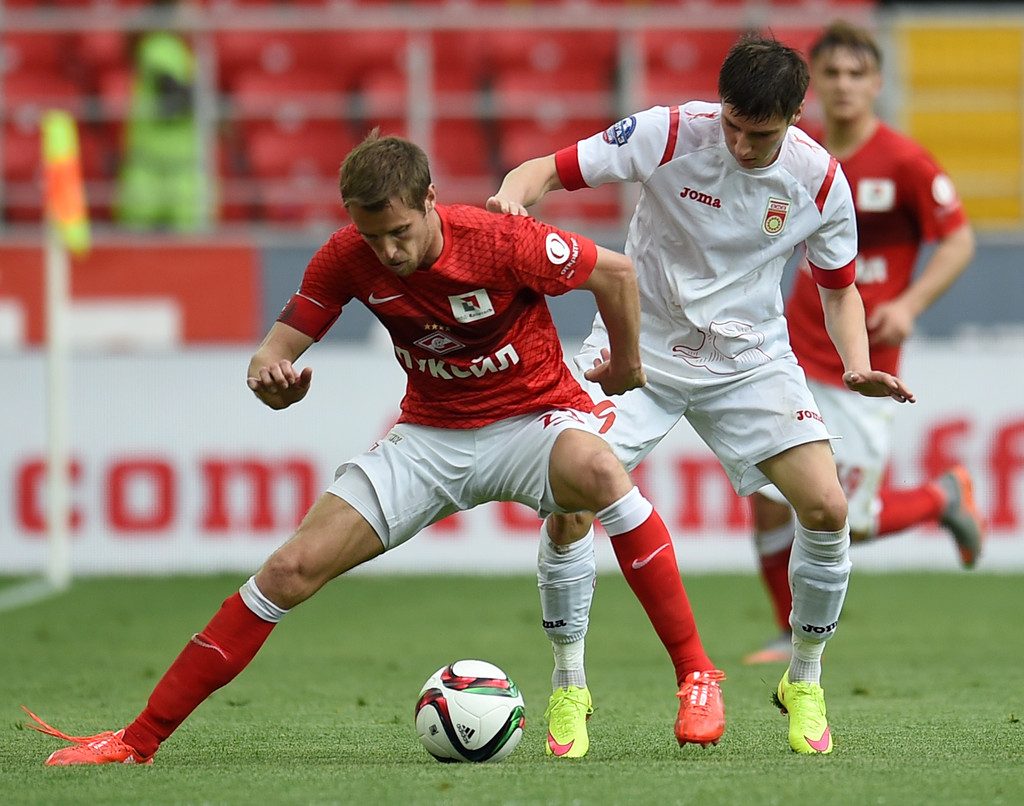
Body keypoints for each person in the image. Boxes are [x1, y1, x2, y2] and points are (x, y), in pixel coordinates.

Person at [23, 132, 723, 766]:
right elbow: (277, 346)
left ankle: (695, 674)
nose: (387, 250)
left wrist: (627, 364)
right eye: (371, 234)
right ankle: (136, 740)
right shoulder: (348, 256)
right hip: (428, 438)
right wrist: (269, 377)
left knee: (601, 471)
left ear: (430, 200)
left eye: (398, 231)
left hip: (531, 421)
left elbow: (618, 273)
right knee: (290, 569)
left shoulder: (500, 239)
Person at [487, 34, 915, 755]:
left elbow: (838, 290)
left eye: (763, 134)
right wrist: (510, 200)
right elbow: (545, 171)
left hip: (749, 359)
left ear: (795, 116)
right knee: (568, 508)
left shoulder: (817, 180)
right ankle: (569, 686)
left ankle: (803, 679)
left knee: (828, 506)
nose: (744, 145)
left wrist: (856, 363)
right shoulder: (670, 130)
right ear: (720, 105)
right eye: (734, 126)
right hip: (636, 352)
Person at [743, 21, 983, 666]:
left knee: (848, 516)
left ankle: (942, 496)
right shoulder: (799, 150)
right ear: (812, 86)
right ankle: (784, 629)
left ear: (877, 83)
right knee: (768, 506)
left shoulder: (904, 161)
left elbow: (958, 239)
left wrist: (908, 303)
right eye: (833, 75)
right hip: (790, 350)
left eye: (857, 74)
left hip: (864, 365)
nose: (845, 86)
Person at [115, 0, 213, 231]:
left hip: (182, 167)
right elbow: (174, 93)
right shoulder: (160, 44)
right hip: (150, 168)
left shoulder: (187, 51)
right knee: (137, 248)